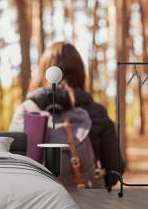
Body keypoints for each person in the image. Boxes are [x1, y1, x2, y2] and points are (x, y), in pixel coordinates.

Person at [9, 42, 124, 187]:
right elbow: (116, 168)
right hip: (86, 202)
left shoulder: (27, 110)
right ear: (80, 72)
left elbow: (12, 165)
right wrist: (94, 185)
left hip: (39, 203)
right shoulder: (96, 111)